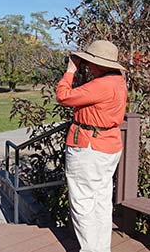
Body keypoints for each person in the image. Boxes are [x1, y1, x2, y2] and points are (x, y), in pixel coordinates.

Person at [56, 40, 127, 252]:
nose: (87, 65)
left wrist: (70, 71)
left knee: (82, 202)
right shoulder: (118, 81)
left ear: (98, 64)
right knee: (101, 202)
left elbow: (63, 96)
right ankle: (100, 249)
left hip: (88, 148)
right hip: (108, 147)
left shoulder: (102, 85)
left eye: (88, 62)